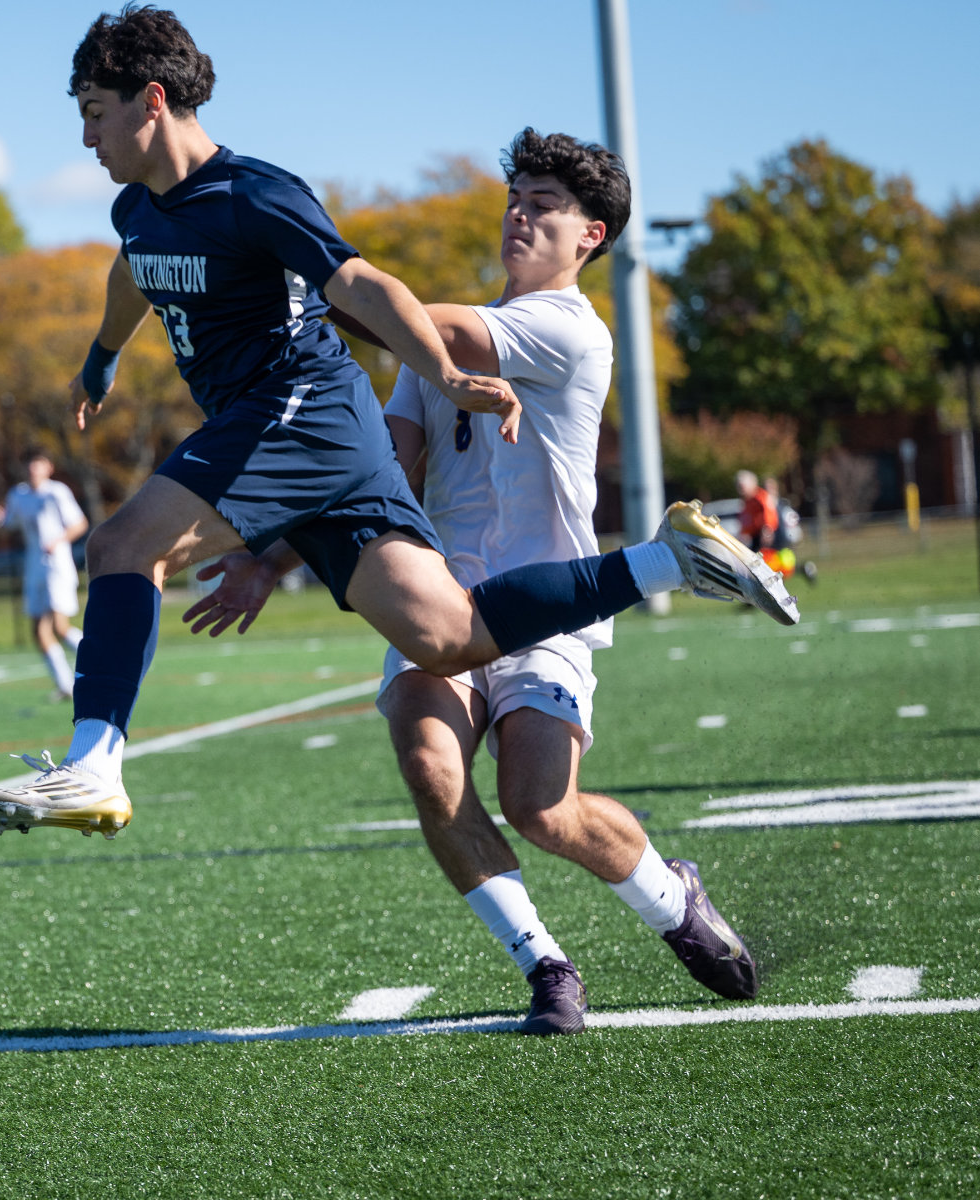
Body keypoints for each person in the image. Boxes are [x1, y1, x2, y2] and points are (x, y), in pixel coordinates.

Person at [0, 6, 796, 841]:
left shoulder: (253, 192)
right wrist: (101, 358)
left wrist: (447, 376)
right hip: (318, 439)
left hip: (298, 412)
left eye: (93, 114)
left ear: (149, 100)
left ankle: (95, 765)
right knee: (446, 636)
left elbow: (361, 285)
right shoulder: (136, 210)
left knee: (120, 546)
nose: (85, 138)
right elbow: (133, 275)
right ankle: (669, 559)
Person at [361, 130, 757, 1034]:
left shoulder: (566, 328)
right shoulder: (430, 351)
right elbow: (389, 469)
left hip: (545, 607)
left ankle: (669, 897)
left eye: (545, 203)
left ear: (592, 237)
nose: (520, 213)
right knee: (431, 769)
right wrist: (271, 555)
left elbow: (416, 324)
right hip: (439, 606)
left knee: (538, 806)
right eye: (517, 197)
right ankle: (545, 966)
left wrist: (314, 289)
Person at [0, 448, 89, 699]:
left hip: (57, 566)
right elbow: (7, 526)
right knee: (39, 631)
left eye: (39, 464)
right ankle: (66, 686)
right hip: (34, 568)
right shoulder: (18, 495)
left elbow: (79, 524)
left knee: (60, 626)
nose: (34, 469)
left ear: (49, 468)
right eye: (30, 464)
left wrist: (58, 541)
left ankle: (107, 663)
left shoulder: (57, 492)